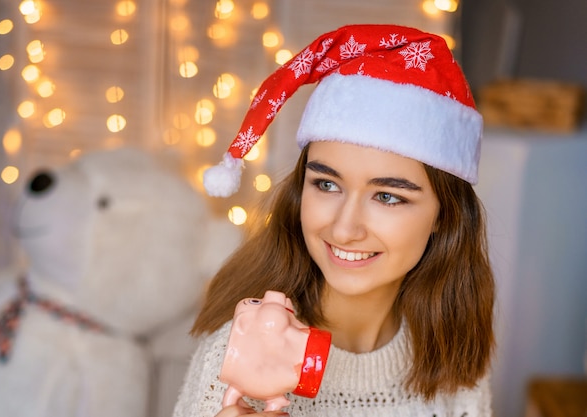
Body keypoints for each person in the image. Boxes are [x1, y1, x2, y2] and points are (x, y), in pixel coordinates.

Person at [173, 24, 495, 417]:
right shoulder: (236, 362)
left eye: (388, 196)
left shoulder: (453, 357)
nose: (344, 229)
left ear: (445, 217)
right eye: (326, 184)